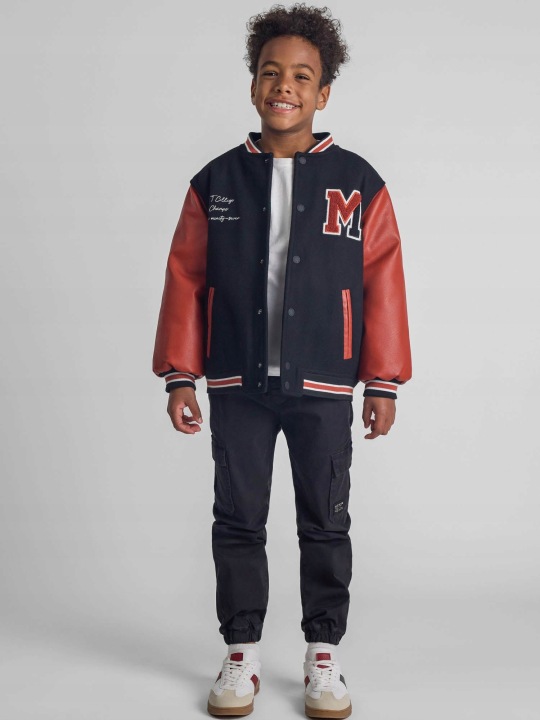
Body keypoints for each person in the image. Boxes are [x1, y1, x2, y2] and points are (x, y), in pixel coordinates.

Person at [152, 3, 412, 718]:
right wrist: (181, 373)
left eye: (301, 76)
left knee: (325, 520)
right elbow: (186, 276)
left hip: (324, 383)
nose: (284, 86)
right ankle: (241, 653)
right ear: (253, 84)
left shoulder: (359, 183)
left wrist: (382, 382)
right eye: (271, 73)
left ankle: (323, 654)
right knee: (237, 519)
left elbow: (383, 281)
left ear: (323, 92)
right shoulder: (216, 182)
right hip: (236, 381)